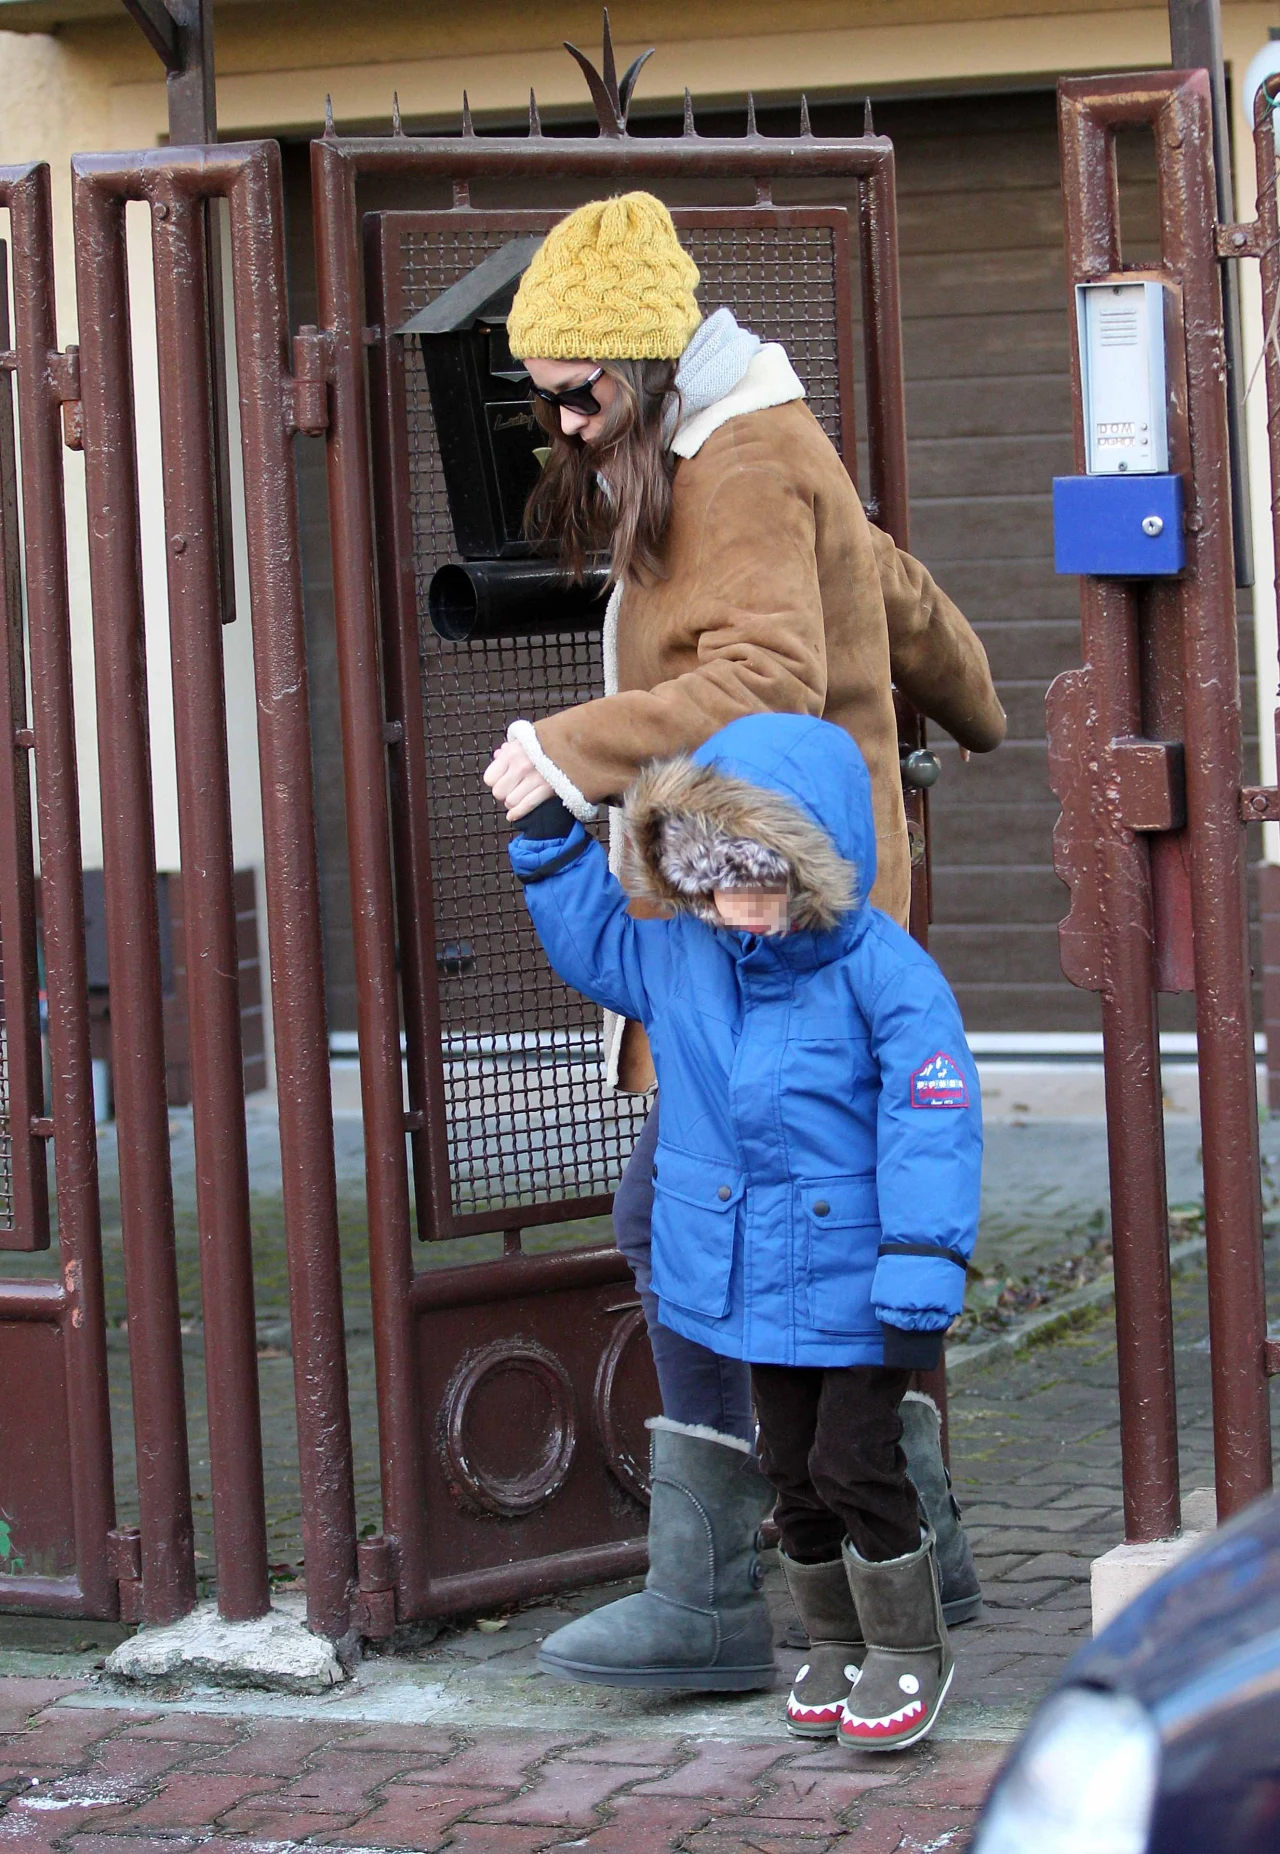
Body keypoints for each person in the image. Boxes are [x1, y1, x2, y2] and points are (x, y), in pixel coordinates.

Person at [483, 190, 1001, 1682]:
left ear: (647, 366)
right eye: (546, 396)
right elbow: (887, 587)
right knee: (806, 1221)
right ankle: (929, 1547)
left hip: (769, 922)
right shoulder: (762, 443)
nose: (563, 424)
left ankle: (716, 1595)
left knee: (686, 1222)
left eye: (579, 393)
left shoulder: (744, 460)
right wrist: (971, 701)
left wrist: (569, 746)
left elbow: (769, 672)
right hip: (777, 913)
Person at [506, 713, 981, 1750]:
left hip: (862, 1281)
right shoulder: (686, 955)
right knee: (794, 1471)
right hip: (754, 1281)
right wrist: (546, 826)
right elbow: (593, 941)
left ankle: (907, 1645)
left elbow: (929, 1125)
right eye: (717, 884)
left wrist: (919, 1267)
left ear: (816, 866)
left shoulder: (882, 973)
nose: (743, 911)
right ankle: (832, 1639)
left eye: (765, 883)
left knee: (858, 1465)